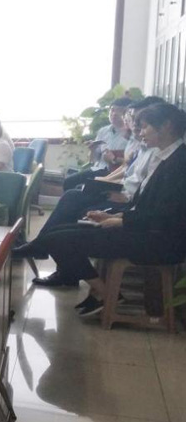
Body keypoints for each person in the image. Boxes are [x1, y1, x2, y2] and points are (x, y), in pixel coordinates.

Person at [21, 102, 186, 313]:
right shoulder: (164, 157)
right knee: (55, 233)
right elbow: (146, 205)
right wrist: (113, 214)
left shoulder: (179, 163)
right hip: (142, 228)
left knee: (58, 241)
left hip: (157, 241)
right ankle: (104, 293)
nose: (140, 132)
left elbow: (167, 214)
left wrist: (119, 221)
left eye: (145, 127)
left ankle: (108, 295)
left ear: (166, 126)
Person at [63, 98, 132, 191]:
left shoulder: (130, 134)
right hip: (98, 169)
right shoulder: (103, 131)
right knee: (68, 181)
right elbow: (93, 160)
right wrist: (92, 149)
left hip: (115, 172)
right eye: (112, 110)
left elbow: (131, 163)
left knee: (78, 189)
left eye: (119, 111)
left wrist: (114, 159)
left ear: (127, 114)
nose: (114, 114)